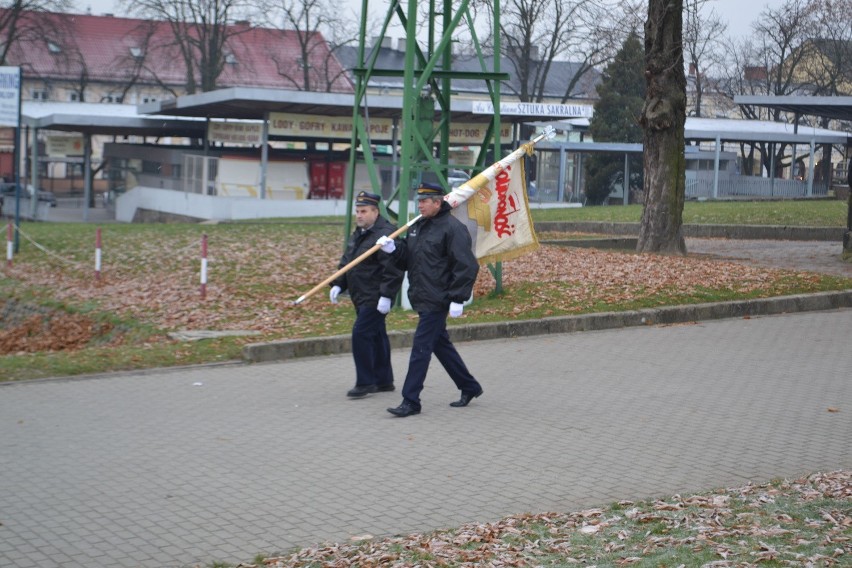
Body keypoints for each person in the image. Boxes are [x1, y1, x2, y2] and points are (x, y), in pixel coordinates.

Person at [376, 182, 483, 417]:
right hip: (422, 295)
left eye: (424, 201)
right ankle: (469, 386)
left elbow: (466, 265)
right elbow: (410, 260)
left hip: (439, 297)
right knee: (439, 345)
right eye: (419, 201)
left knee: (421, 348)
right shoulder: (419, 226)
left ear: (438, 202)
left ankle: (411, 400)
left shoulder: (453, 228)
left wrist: (458, 298)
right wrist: (394, 249)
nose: (420, 205)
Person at [329, 191, 404, 398]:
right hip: (360, 293)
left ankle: (365, 382)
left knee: (361, 333)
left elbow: (394, 268)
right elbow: (349, 260)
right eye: (357, 211)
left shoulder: (386, 233)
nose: (359, 215)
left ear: (375, 212)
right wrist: (338, 284)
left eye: (363, 211)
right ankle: (384, 380)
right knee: (377, 335)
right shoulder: (361, 232)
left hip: (375, 295)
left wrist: (387, 296)